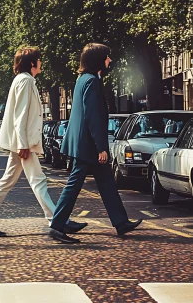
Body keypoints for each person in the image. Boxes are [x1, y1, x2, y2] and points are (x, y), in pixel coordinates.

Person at [0, 46, 87, 236]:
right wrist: (23, 144)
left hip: (22, 140)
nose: (41, 62)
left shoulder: (24, 80)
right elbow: (20, 116)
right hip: (23, 142)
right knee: (38, 180)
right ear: (32, 63)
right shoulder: (25, 81)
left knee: (8, 179)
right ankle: (57, 220)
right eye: (39, 59)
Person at [49, 43, 143, 244]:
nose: (109, 60)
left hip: (83, 142)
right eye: (107, 57)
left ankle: (121, 221)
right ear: (98, 60)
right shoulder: (91, 81)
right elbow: (93, 117)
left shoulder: (84, 79)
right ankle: (57, 225)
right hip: (87, 145)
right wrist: (101, 146)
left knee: (107, 182)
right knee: (73, 186)